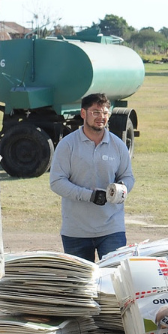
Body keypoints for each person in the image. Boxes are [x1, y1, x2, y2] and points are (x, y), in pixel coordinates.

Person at [48, 93, 135, 261]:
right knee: (80, 285)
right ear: (83, 113)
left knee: (112, 279)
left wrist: (122, 187)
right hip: (76, 230)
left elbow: (128, 176)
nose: (101, 117)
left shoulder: (118, 145)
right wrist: (90, 196)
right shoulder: (68, 145)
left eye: (105, 112)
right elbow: (57, 182)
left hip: (112, 228)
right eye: (95, 112)